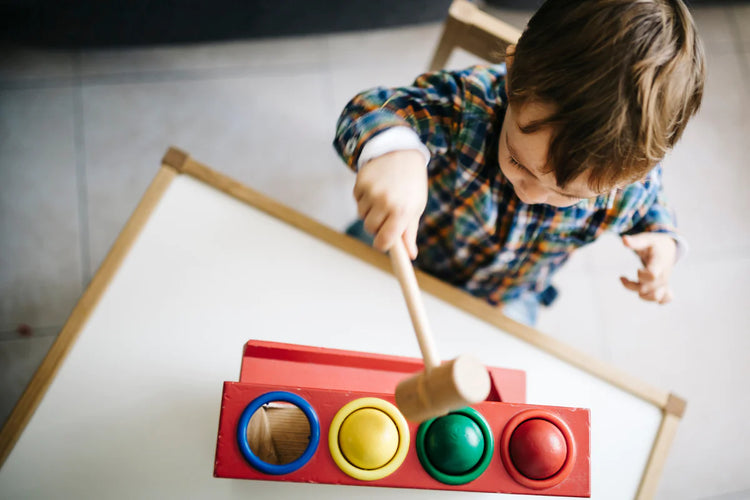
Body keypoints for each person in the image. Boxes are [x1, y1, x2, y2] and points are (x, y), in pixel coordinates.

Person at [333, 0, 705, 326]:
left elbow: (649, 207)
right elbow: (368, 111)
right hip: (404, 245)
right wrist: (397, 151)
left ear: (627, 178)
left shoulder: (625, 185)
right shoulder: (470, 106)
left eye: (565, 193)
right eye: (518, 161)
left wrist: (662, 240)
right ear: (513, 74)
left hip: (505, 296)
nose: (529, 194)